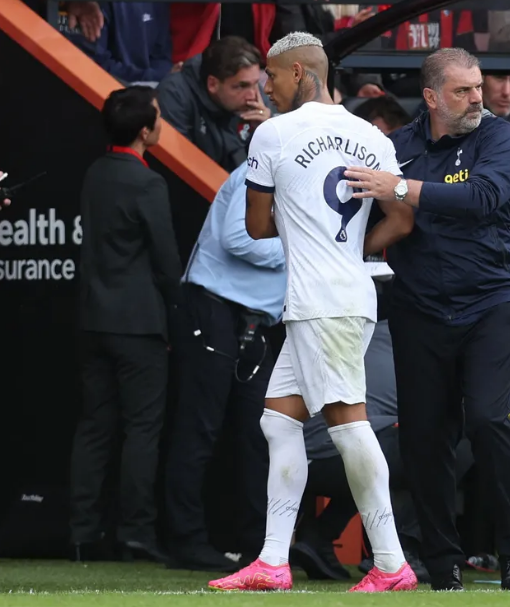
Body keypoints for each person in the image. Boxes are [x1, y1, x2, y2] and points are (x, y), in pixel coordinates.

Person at [208, 32, 417, 593]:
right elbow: (401, 220)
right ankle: (273, 561)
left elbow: (254, 226)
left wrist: (302, 225)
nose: (265, 89)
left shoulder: (272, 133)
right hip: (346, 292)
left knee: (350, 426)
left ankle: (392, 564)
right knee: (278, 421)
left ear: (299, 72)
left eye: (271, 77)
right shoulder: (371, 136)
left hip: (321, 302)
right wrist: (352, 247)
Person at [342, 47, 510, 591]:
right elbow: (363, 212)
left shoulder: (500, 137)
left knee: (489, 420)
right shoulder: (395, 147)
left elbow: (483, 197)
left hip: (492, 300)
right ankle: (442, 565)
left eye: (478, 86)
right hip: (420, 306)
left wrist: (399, 188)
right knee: (425, 438)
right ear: (430, 98)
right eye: (463, 91)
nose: (479, 98)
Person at [293, 320, 510, 582]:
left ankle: (319, 536)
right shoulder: (436, 352)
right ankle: (405, 549)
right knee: (446, 438)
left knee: (390, 435)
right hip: (339, 454)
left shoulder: (385, 327)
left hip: (301, 459)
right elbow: (498, 452)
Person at [69, 86, 181, 562]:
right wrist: (178, 317)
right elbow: (165, 260)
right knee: (141, 430)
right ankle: (135, 532)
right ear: (143, 131)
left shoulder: (96, 172)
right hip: (138, 325)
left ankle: (81, 533)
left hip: (92, 320)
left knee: (94, 427)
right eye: (157, 117)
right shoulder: (147, 183)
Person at [163, 161, 286, 571]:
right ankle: (186, 540)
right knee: (201, 428)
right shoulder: (262, 169)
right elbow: (238, 237)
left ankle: (257, 543)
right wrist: (302, 245)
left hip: (257, 319)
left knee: (258, 433)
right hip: (215, 306)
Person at [157, 36, 272, 172]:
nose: (252, 95)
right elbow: (178, 167)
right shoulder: (175, 95)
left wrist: (268, 135)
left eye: (255, 83)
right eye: (241, 86)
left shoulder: (256, 99)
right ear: (213, 84)